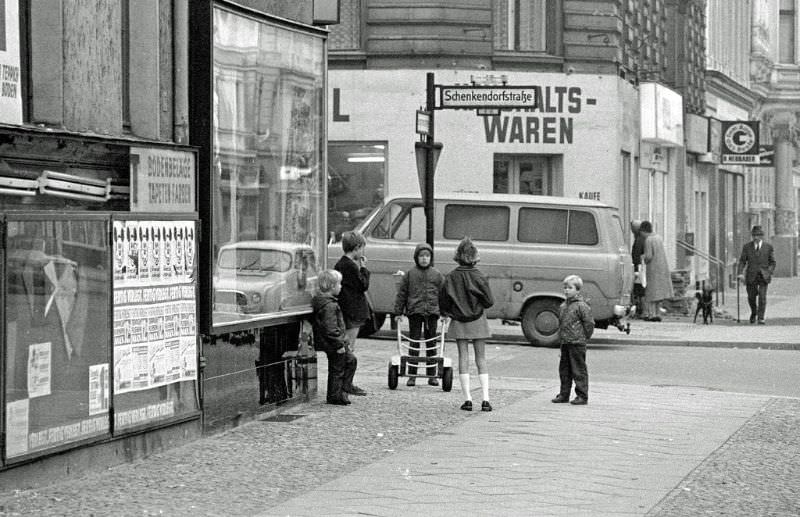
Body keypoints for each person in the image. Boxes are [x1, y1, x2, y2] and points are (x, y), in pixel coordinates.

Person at [439, 237, 495, 411]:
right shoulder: (480, 275)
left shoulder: (451, 276)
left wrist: (447, 313)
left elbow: (443, 300)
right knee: (481, 358)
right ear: (475, 256)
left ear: (458, 255)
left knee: (463, 357)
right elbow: (489, 301)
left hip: (459, 320)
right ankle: (485, 399)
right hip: (478, 319)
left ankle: (468, 399)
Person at [393, 243, 445, 387]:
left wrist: (445, 313)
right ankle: (412, 374)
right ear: (416, 258)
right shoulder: (410, 274)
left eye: (427, 256)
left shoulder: (437, 275)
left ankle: (432, 375)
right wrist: (398, 312)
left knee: (432, 343)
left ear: (431, 258)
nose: (424, 259)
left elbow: (443, 295)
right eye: (421, 256)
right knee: (414, 343)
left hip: (432, 313)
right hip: (415, 312)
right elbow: (402, 294)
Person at [311, 269, 357, 406]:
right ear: (332, 287)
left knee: (344, 364)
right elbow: (330, 328)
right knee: (341, 366)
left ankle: (339, 393)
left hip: (333, 342)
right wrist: (339, 344)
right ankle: (338, 394)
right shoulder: (329, 305)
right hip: (334, 343)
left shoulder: (327, 303)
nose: (341, 287)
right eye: (339, 284)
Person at [333, 231, 369, 396]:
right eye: (362, 248)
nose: (363, 252)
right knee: (349, 347)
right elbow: (363, 285)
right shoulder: (351, 266)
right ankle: (347, 383)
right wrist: (364, 268)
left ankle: (345, 383)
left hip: (346, 309)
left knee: (347, 345)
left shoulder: (340, 264)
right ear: (356, 248)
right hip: (353, 311)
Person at [551, 275, 594, 405]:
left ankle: (582, 395)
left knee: (578, 370)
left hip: (577, 342)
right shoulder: (563, 306)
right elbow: (561, 325)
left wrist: (583, 337)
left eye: (570, 288)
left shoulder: (582, 306)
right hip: (565, 342)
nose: (567, 290)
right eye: (565, 287)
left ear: (577, 290)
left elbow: (589, 323)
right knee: (564, 370)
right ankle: (564, 394)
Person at [737, 225, 776, 325]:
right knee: (751, 297)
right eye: (754, 235)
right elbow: (742, 261)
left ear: (761, 236)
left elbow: (772, 262)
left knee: (762, 297)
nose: (755, 238)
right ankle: (754, 312)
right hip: (751, 275)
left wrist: (769, 271)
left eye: (758, 235)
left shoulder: (768, 247)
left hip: (763, 276)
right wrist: (740, 273)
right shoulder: (747, 247)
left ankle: (761, 317)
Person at [640, 220, 673, 321]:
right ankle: (658, 314)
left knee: (651, 292)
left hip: (653, 269)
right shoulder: (658, 238)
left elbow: (649, 256)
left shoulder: (648, 240)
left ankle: (652, 314)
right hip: (662, 268)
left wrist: (643, 258)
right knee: (659, 294)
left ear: (643, 231)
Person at [630, 220, 647, 317]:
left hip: (640, 268)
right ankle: (641, 310)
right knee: (641, 290)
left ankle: (642, 311)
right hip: (642, 267)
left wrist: (635, 269)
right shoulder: (642, 239)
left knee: (640, 290)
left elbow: (636, 255)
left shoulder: (639, 240)